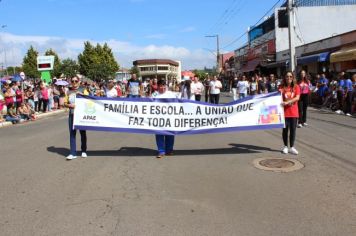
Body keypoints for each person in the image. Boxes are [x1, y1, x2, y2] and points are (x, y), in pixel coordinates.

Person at [151, 79, 177, 158]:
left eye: (164, 86)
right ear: (158, 87)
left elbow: (177, 104)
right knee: (159, 135)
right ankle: (161, 151)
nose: (162, 88)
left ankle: (169, 150)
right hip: (158, 119)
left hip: (170, 118)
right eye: (161, 86)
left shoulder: (170, 94)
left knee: (170, 134)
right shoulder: (155, 95)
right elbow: (149, 105)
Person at [64, 76, 87, 160]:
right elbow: (65, 103)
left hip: (81, 116)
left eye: (75, 81)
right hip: (72, 114)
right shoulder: (68, 92)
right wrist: (69, 105)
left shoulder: (83, 89)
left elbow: (90, 99)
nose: (74, 82)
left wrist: (83, 95)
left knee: (82, 133)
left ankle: (83, 151)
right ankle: (73, 153)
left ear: (79, 81)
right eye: (72, 81)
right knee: (72, 134)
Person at [280, 71, 300, 155]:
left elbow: (297, 97)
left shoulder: (296, 87)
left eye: (290, 76)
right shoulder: (281, 87)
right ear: (285, 78)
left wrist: (288, 102)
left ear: (293, 77)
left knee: (293, 131)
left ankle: (292, 147)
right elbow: (278, 97)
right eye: (287, 76)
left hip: (294, 113)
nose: (289, 78)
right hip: (284, 113)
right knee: (285, 130)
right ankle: (285, 147)